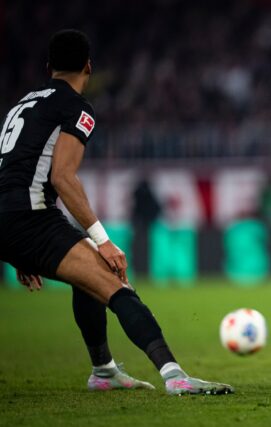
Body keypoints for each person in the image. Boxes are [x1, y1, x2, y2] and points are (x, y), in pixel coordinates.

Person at [0, 29, 233, 396]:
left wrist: (17, 247)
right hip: (32, 217)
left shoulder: (22, 104)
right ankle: (175, 377)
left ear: (48, 67)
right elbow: (62, 177)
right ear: (88, 67)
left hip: (11, 219)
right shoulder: (76, 107)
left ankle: (104, 371)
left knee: (87, 280)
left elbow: (13, 169)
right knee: (113, 280)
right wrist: (103, 240)